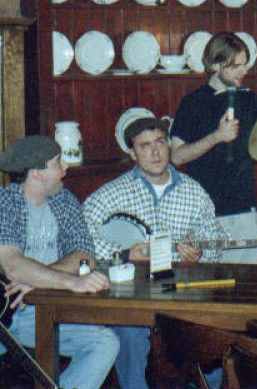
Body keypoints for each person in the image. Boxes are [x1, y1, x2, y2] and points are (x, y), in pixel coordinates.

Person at [84, 116, 226, 389]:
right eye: (145, 146)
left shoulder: (193, 191)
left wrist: (199, 255)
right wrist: (125, 254)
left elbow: (215, 239)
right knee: (129, 333)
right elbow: (82, 238)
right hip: (131, 296)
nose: (155, 152)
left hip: (181, 293)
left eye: (160, 142)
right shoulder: (111, 193)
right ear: (132, 153)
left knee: (213, 336)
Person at [0, 135, 119, 389]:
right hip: (9, 315)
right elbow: (12, 265)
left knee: (105, 343)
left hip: (50, 308)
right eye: (57, 162)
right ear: (37, 173)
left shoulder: (63, 200)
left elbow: (86, 256)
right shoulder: (5, 203)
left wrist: (39, 281)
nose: (65, 167)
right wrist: (70, 282)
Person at [169, 31, 257, 264]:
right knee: (208, 282)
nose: (244, 72)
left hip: (244, 211)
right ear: (214, 65)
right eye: (235, 66)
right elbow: (177, 157)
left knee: (249, 281)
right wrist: (216, 137)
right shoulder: (193, 103)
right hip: (204, 214)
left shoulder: (250, 100)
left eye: (245, 65)